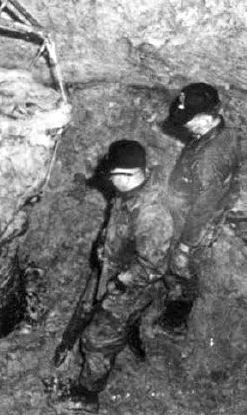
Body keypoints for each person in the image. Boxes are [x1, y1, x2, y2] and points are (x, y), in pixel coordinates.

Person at [53, 140, 173, 413]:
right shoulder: (127, 193)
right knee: (86, 307)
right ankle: (73, 344)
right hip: (110, 267)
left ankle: (87, 394)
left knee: (97, 341)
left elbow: (153, 267)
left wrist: (120, 282)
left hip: (131, 285)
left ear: (127, 175)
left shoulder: (152, 213)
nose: (108, 180)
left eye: (111, 175)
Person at [156, 82, 241, 336]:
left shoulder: (210, 160)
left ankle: (174, 321)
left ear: (206, 118)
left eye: (188, 121)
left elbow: (204, 208)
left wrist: (185, 245)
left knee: (180, 267)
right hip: (189, 201)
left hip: (193, 218)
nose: (183, 126)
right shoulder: (217, 133)